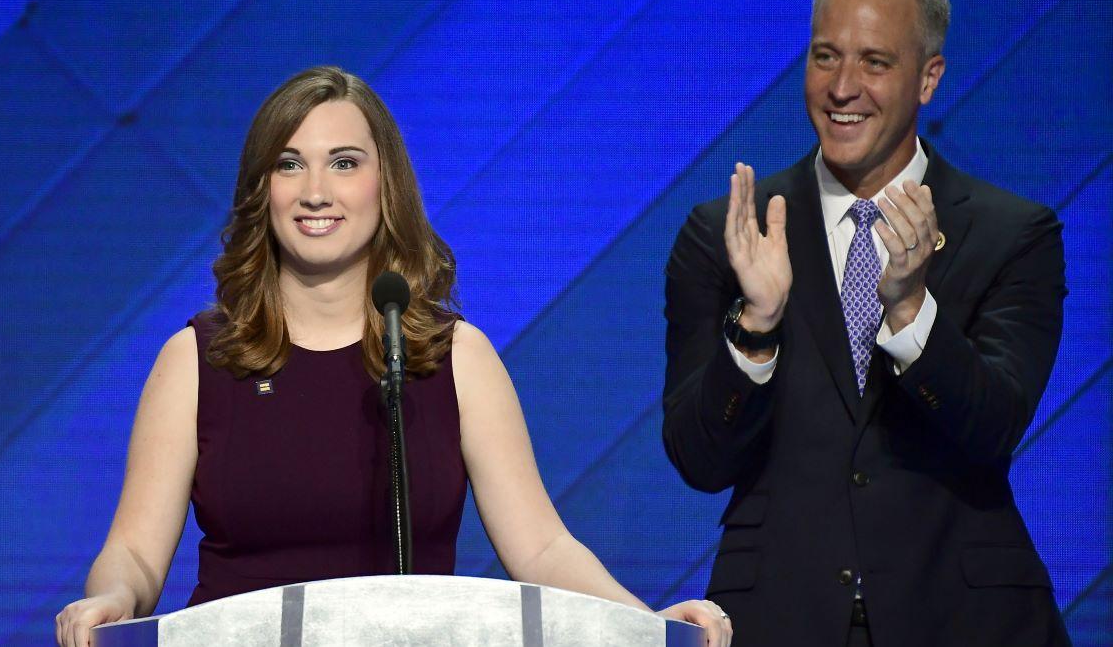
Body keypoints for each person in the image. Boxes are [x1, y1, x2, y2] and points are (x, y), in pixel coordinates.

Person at [56, 66, 731, 647]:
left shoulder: (454, 357)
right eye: (290, 163)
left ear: (386, 186)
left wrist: (646, 624)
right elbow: (136, 551)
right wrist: (111, 596)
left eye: (344, 162)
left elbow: (541, 547)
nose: (315, 189)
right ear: (263, 190)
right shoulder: (197, 359)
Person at [662, 0, 1069, 646]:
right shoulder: (728, 233)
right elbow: (699, 458)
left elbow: (994, 425)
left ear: (928, 77)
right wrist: (755, 329)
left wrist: (912, 312)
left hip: (965, 618)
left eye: (874, 61)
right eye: (826, 56)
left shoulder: (1012, 234)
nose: (842, 87)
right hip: (782, 616)